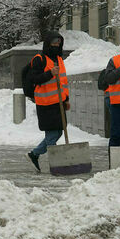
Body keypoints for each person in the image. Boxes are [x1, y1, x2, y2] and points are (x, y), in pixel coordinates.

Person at [26, 32, 70, 172]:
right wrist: (50, 73)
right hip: (45, 103)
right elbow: (34, 79)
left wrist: (66, 99)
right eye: (54, 43)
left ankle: (34, 154)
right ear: (48, 43)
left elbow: (62, 82)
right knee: (51, 135)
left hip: (58, 103)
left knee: (58, 132)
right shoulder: (39, 59)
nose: (56, 45)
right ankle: (57, 166)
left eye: (58, 43)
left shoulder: (59, 59)